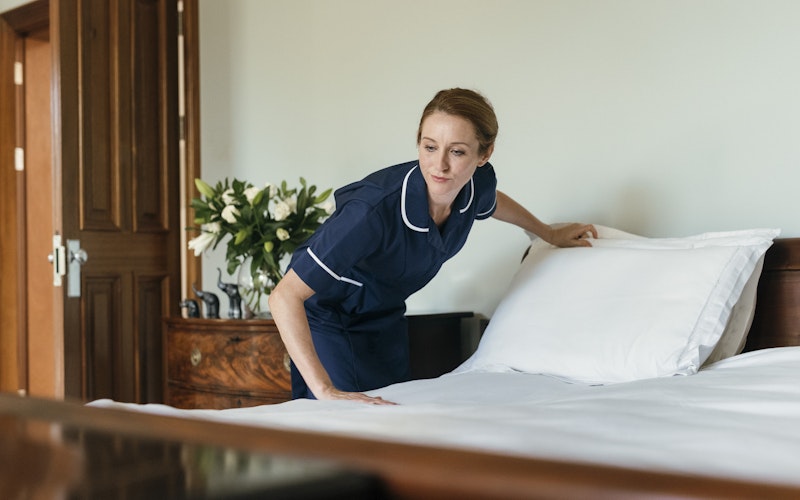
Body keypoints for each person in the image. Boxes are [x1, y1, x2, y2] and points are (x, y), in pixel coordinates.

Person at [269, 88, 597, 405]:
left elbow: (492, 202)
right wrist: (325, 390)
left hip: (384, 316)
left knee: (396, 411)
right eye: (429, 147)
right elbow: (284, 296)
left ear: (484, 155)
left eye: (457, 152)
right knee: (345, 417)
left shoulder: (474, 185)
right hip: (327, 316)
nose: (439, 165)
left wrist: (547, 233)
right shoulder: (370, 213)